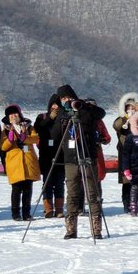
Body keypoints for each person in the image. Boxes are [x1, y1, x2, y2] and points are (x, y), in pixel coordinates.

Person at [51, 84, 106, 239]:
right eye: (63, 98)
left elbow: (101, 113)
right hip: (70, 159)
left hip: (87, 156)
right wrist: (62, 116)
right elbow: (54, 135)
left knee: (92, 193)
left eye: (69, 97)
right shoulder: (63, 113)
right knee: (72, 195)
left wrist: (83, 107)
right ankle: (71, 230)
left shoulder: (85, 109)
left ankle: (96, 230)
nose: (66, 100)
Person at [0, 105, 40, 221]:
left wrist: (24, 138)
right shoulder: (6, 130)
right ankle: (16, 214)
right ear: (8, 117)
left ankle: (26, 214)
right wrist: (10, 139)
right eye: (11, 114)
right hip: (14, 163)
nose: (14, 116)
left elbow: (36, 139)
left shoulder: (28, 126)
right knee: (16, 190)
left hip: (28, 161)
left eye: (15, 113)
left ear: (20, 114)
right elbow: (3, 147)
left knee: (28, 190)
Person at [34, 94, 65, 218]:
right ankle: (48, 208)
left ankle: (59, 209)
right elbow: (38, 129)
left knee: (59, 182)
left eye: (58, 105)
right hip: (46, 154)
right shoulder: (42, 117)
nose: (55, 107)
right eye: (53, 104)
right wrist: (50, 118)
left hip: (61, 154)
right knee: (47, 182)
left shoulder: (63, 117)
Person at [113, 92, 138, 213]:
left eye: (133, 108)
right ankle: (127, 204)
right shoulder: (121, 120)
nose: (131, 110)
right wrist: (126, 117)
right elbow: (116, 126)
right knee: (126, 181)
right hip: (125, 154)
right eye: (128, 108)